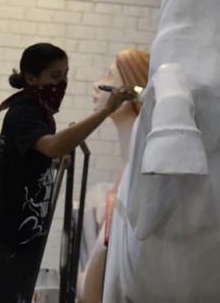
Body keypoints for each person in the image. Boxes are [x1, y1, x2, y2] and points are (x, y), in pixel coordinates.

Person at [0, 42, 136, 303]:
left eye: (66, 75)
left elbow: (34, 154)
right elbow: (51, 145)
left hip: (22, 234)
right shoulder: (23, 111)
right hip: (7, 235)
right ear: (31, 78)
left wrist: (53, 161)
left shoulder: (39, 113)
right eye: (55, 76)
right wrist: (107, 110)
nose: (62, 83)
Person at [78, 49, 151, 303]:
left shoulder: (138, 169)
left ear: (132, 88)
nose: (98, 85)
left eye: (110, 76)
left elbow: (91, 293)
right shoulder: (127, 167)